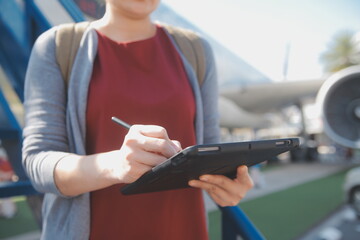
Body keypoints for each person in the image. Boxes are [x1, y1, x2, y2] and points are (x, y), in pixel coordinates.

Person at [22, 0, 254, 239]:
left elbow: (209, 146)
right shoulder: (57, 46)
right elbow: (37, 161)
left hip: (182, 229)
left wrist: (227, 180)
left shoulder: (195, 49)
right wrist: (116, 165)